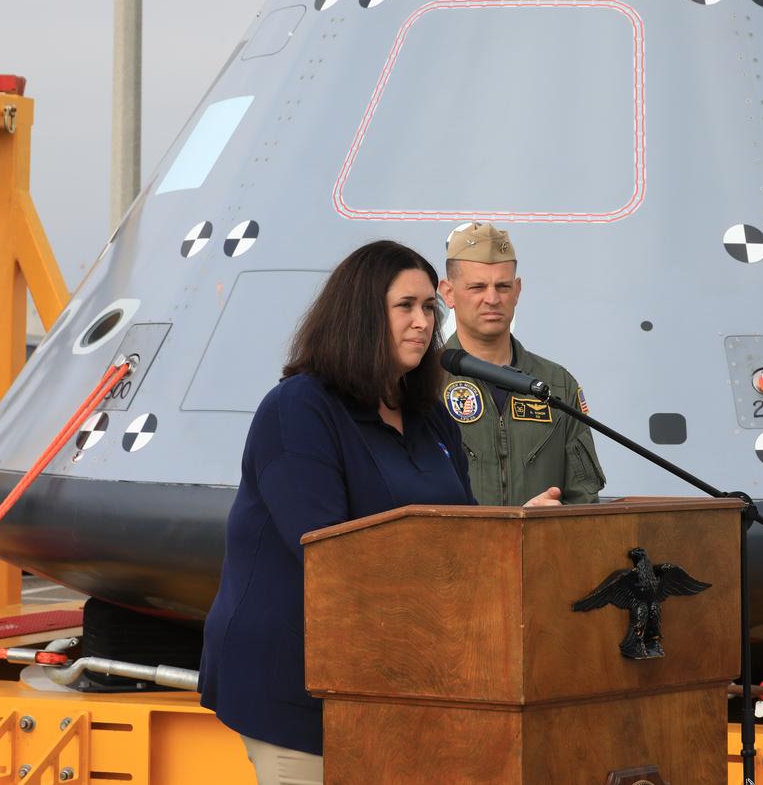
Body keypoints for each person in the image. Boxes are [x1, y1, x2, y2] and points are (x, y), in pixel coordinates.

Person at [198, 240, 560, 785]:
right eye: (405, 307)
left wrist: (515, 530)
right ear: (362, 314)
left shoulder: (429, 416)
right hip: (298, 685)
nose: (423, 323)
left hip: (398, 680)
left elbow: (456, 531)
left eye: (428, 309)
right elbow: (331, 553)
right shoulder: (300, 408)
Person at [439, 223, 606, 505]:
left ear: (517, 290)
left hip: (545, 547)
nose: (492, 299)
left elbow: (584, 497)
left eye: (502, 286)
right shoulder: (422, 381)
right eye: (477, 287)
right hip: (454, 548)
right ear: (448, 292)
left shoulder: (557, 384)